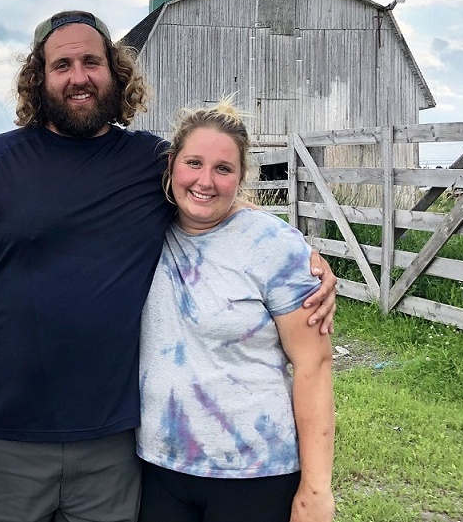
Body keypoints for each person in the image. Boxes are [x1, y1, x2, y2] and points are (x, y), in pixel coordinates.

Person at [0, 10, 336, 522]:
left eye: (92, 62)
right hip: (7, 437)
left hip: (114, 442)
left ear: (115, 74)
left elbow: (207, 188)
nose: (79, 76)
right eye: (62, 64)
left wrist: (299, 253)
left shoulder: (148, 161)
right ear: (39, 77)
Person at [136, 100, 335, 522]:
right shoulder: (143, 229)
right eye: (194, 163)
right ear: (172, 165)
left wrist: (317, 489)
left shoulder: (275, 247)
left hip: (254, 473)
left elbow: (313, 365)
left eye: (223, 169)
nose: (205, 181)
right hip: (158, 467)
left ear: (241, 176)